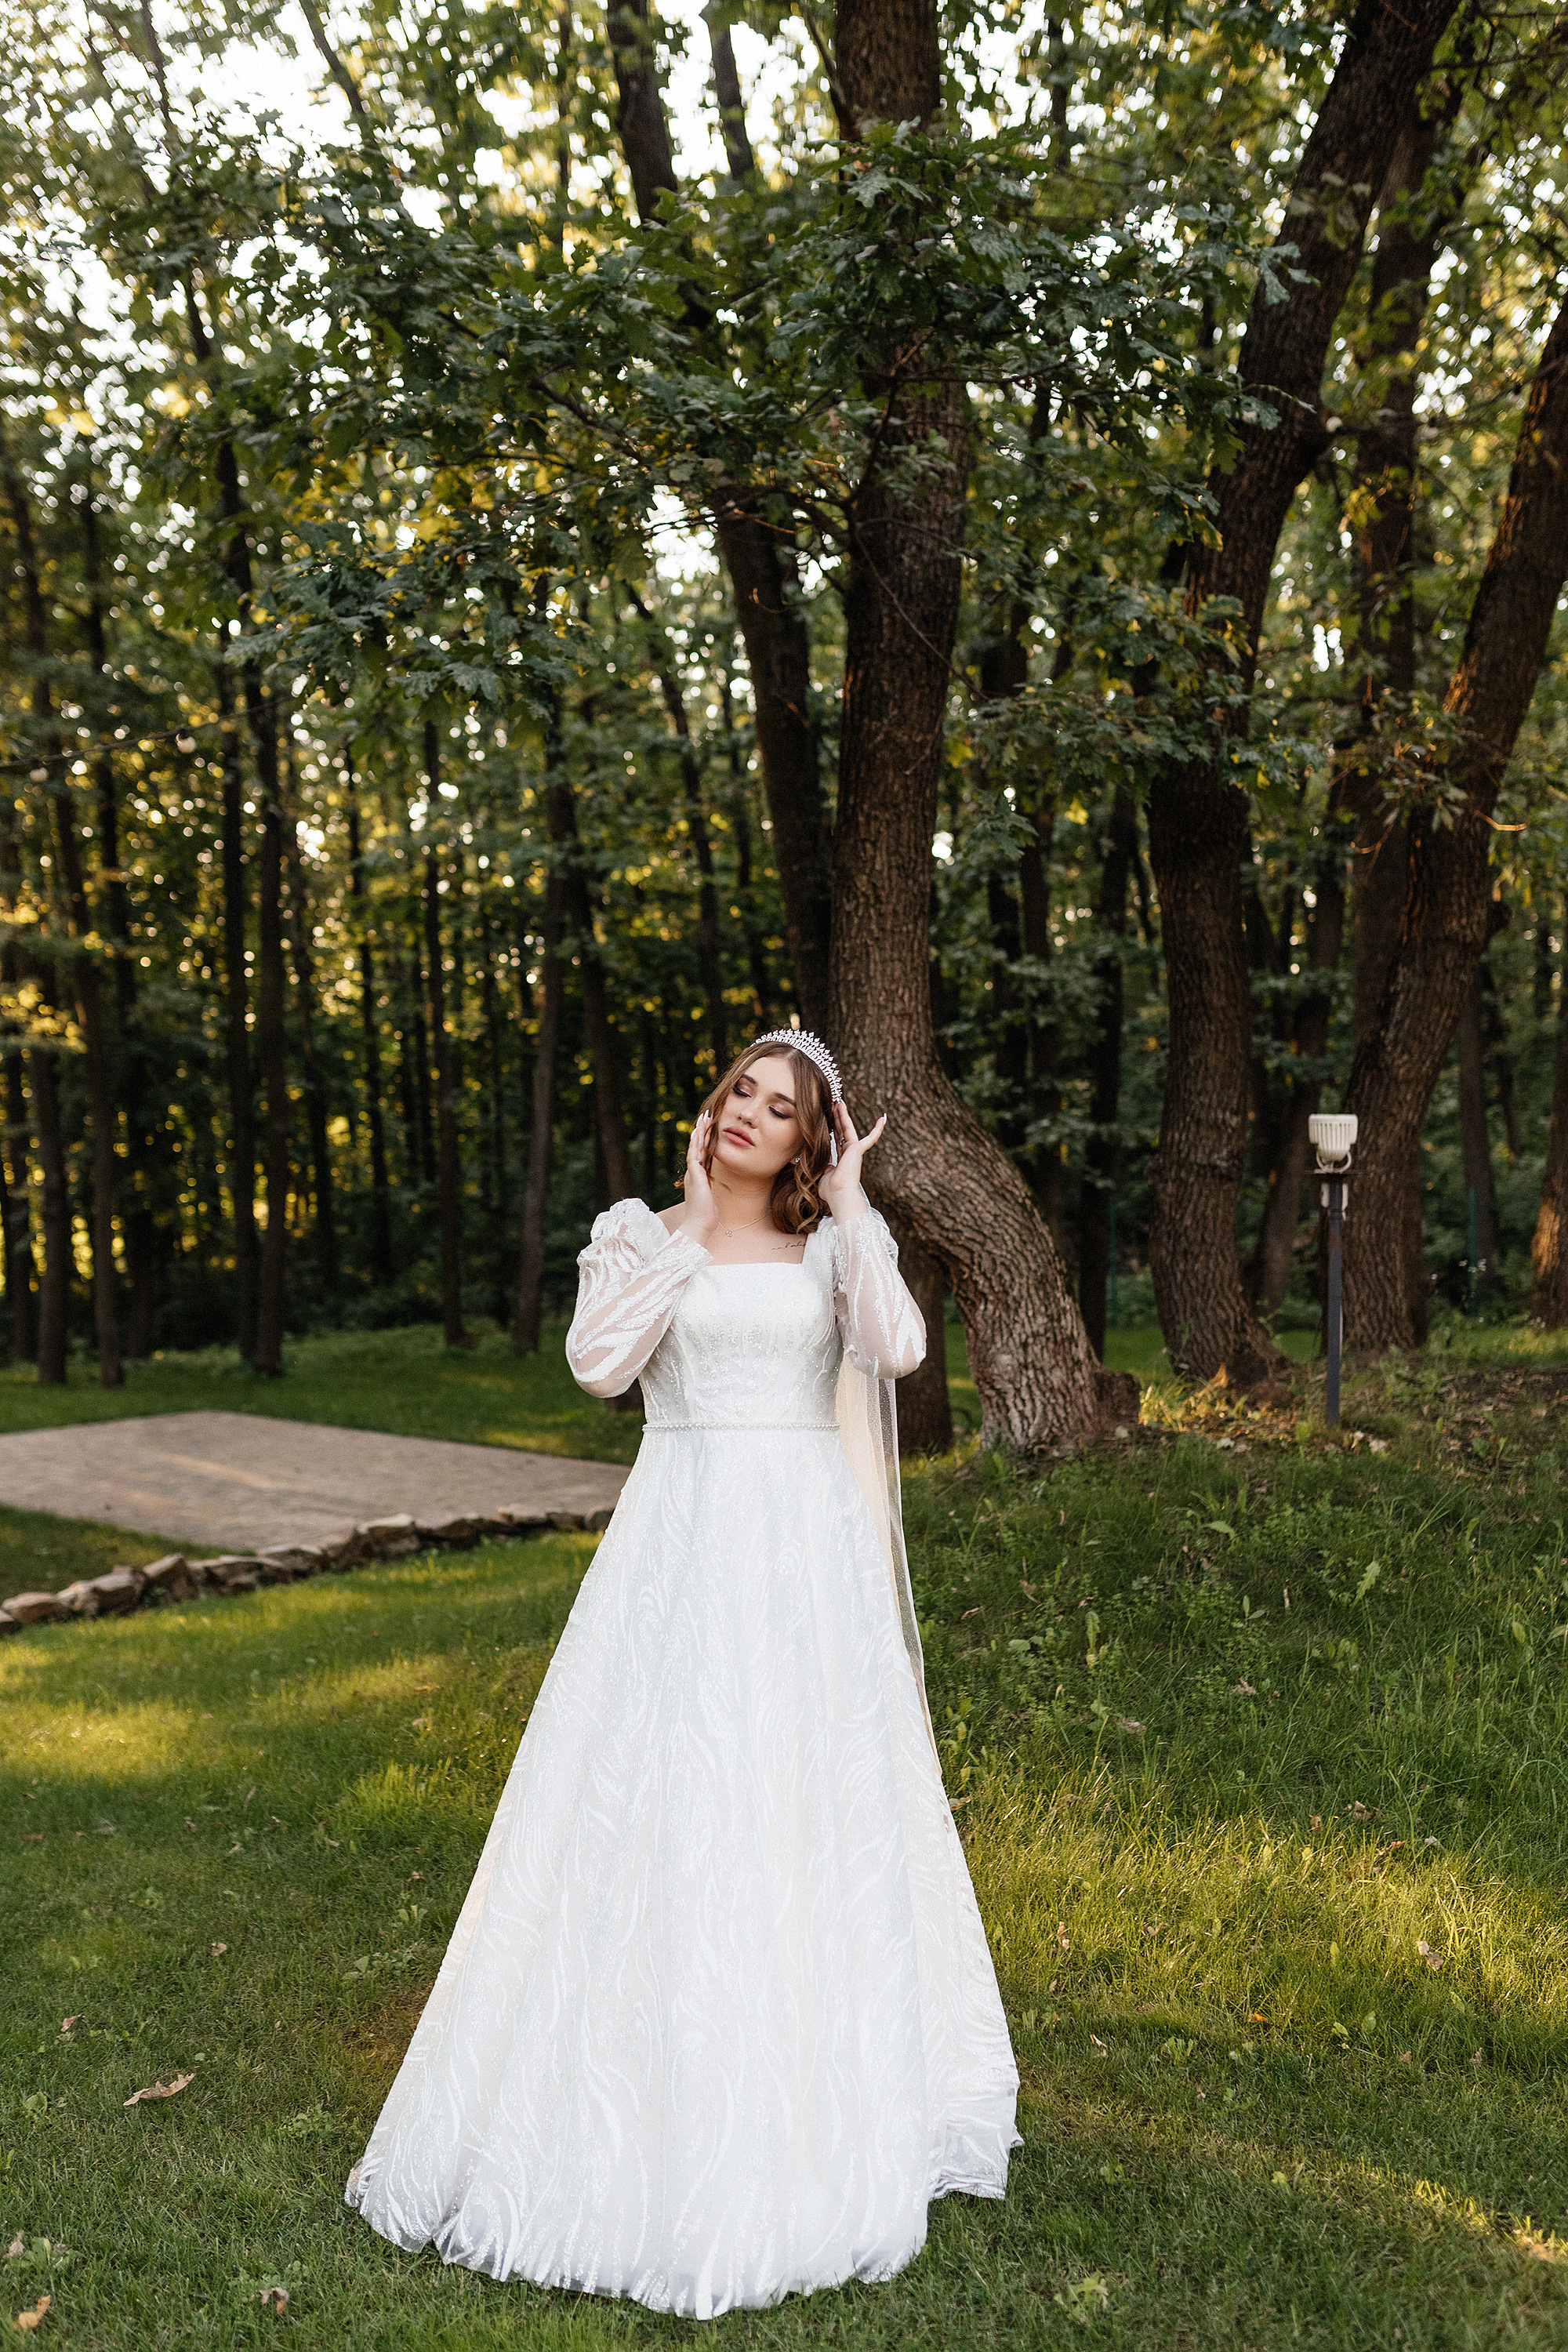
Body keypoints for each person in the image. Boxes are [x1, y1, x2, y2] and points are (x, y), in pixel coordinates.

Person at [346, 1032, 1019, 2318]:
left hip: (806, 1561)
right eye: (739, 1097)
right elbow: (600, 1366)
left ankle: (828, 2079)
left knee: (801, 1802)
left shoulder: (828, 1245)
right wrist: (690, 1230)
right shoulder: (636, 1231)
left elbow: (903, 1351)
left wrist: (866, 1212)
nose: (750, 1120)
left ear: (808, 1140)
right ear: (711, 1111)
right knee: (655, 1804)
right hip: (680, 1540)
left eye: (781, 1110)